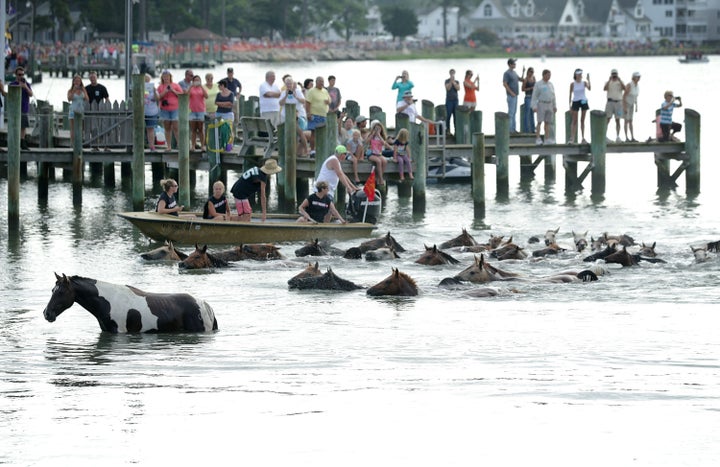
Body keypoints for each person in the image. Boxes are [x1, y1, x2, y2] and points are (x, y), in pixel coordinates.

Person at [279, 76, 309, 157]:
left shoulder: (298, 91)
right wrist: (285, 96)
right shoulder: (283, 92)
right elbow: (280, 103)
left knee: (298, 131)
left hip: (298, 116)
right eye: (287, 84)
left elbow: (303, 101)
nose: (289, 85)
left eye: (290, 84)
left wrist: (296, 96)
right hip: (287, 117)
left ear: (293, 84)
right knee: (293, 133)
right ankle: (294, 151)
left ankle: (306, 149)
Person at [158, 70, 183, 150]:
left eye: (167, 76)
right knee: (167, 128)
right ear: (162, 78)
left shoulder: (175, 85)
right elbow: (158, 97)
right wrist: (165, 91)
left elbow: (181, 95)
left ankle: (180, 144)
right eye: (164, 77)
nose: (166, 78)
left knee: (176, 127)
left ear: (170, 77)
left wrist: (173, 90)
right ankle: (169, 146)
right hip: (165, 109)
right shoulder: (160, 87)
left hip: (175, 109)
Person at [531, 69, 556, 145]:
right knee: (539, 121)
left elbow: (553, 96)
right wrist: (534, 106)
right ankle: (538, 138)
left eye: (550, 75)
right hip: (541, 103)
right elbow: (534, 96)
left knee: (547, 122)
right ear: (544, 75)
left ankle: (547, 138)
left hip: (549, 104)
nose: (549, 76)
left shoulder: (551, 84)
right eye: (548, 75)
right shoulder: (538, 84)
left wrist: (554, 105)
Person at [305, 76, 331, 152]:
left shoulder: (325, 91)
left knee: (323, 133)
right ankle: (313, 150)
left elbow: (329, 99)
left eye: (323, 82)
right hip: (314, 114)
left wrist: (328, 102)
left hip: (323, 115)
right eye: (320, 82)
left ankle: (320, 149)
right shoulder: (311, 91)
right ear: (316, 82)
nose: (322, 83)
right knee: (314, 133)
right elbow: (307, 102)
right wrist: (308, 113)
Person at [10, 66, 33, 149]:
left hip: (24, 108)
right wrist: (19, 86)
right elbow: (11, 96)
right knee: (15, 126)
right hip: (15, 110)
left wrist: (25, 87)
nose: (21, 76)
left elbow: (31, 94)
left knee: (23, 127)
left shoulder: (27, 84)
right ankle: (15, 143)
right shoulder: (12, 84)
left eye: (22, 74)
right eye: (19, 74)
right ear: (16, 75)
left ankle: (23, 143)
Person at [364, 120, 391, 186]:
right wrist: (373, 134)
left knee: (384, 161)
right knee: (378, 161)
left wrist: (379, 135)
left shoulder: (381, 137)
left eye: (379, 129)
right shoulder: (371, 135)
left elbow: (386, 145)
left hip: (379, 154)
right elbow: (366, 142)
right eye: (376, 129)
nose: (377, 130)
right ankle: (381, 179)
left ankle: (380, 176)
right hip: (371, 154)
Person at [569, 69, 591, 144]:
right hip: (575, 101)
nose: (580, 76)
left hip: (583, 100)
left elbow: (589, 88)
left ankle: (583, 137)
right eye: (578, 74)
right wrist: (569, 105)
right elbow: (570, 94)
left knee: (582, 120)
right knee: (574, 120)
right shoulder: (572, 84)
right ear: (575, 75)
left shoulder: (584, 83)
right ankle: (572, 138)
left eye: (581, 74)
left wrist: (589, 80)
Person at [67, 74, 89, 147]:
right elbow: (69, 99)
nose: (77, 82)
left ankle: (79, 143)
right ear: (73, 82)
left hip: (81, 110)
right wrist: (74, 91)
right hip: (73, 110)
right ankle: (72, 144)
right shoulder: (70, 90)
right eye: (76, 81)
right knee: (73, 128)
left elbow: (87, 99)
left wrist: (83, 90)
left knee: (81, 128)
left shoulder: (83, 89)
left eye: (79, 81)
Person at [604, 68, 625, 143]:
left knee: (618, 120)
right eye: (613, 75)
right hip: (610, 102)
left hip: (618, 103)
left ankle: (618, 136)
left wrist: (620, 80)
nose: (614, 76)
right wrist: (609, 80)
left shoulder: (620, 82)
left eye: (615, 75)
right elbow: (604, 88)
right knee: (607, 119)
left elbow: (625, 88)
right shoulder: (608, 82)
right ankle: (604, 136)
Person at [188, 74, 208, 150]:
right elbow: (187, 95)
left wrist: (201, 86)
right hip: (192, 111)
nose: (197, 81)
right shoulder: (191, 88)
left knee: (201, 129)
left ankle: (202, 145)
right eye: (195, 80)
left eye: (198, 80)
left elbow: (206, 96)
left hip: (201, 111)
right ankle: (193, 145)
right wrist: (191, 86)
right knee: (193, 129)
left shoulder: (202, 88)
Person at [503, 58, 520, 133]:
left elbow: (519, 79)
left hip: (516, 95)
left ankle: (513, 129)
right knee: (511, 113)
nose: (515, 64)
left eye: (515, 63)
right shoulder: (507, 73)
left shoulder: (514, 72)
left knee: (514, 112)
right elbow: (505, 84)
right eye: (513, 63)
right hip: (511, 96)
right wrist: (511, 92)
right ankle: (510, 130)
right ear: (509, 64)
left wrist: (523, 73)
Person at [143, 73, 159, 151]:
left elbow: (157, 98)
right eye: (145, 80)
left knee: (150, 129)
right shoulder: (140, 87)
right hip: (142, 111)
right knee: (139, 128)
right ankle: (139, 145)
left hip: (152, 111)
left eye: (148, 80)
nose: (147, 82)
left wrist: (155, 91)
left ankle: (151, 146)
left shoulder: (153, 88)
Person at [623, 72, 641, 142]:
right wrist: (624, 107)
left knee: (631, 121)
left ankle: (632, 137)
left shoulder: (637, 85)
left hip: (632, 104)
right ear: (633, 77)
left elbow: (635, 96)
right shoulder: (629, 85)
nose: (638, 78)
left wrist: (636, 106)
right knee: (626, 121)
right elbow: (624, 96)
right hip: (627, 103)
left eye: (639, 77)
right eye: (637, 77)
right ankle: (626, 137)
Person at [445, 69, 460, 135]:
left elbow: (458, 88)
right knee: (448, 116)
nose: (452, 74)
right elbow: (447, 88)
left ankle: (456, 131)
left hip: (455, 100)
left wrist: (454, 82)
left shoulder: (457, 81)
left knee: (455, 116)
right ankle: (448, 130)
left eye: (453, 73)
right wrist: (451, 82)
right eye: (451, 73)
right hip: (449, 101)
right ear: (449, 73)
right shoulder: (446, 81)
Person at [521, 67, 536, 133]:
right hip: (528, 97)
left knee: (532, 114)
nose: (531, 73)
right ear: (528, 72)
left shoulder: (534, 78)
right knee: (527, 114)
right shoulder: (526, 79)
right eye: (530, 72)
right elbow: (522, 89)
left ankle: (533, 129)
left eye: (532, 72)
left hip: (533, 97)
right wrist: (530, 88)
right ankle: (526, 130)